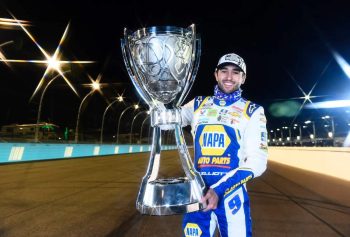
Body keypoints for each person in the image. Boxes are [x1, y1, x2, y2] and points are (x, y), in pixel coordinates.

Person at [181, 53, 268, 237]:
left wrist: (219, 189)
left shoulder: (252, 111)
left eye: (236, 72)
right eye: (224, 71)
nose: (229, 77)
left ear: (243, 78)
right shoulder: (197, 104)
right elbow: (167, 121)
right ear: (216, 74)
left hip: (231, 195)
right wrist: (157, 99)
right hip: (198, 194)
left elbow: (258, 162)